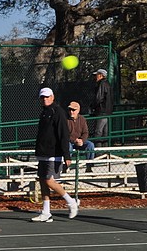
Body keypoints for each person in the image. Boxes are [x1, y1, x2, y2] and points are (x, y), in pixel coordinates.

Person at [31, 87, 80, 222]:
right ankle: (46, 213)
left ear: (52, 97)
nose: (45, 99)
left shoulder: (58, 112)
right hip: (43, 153)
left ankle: (71, 202)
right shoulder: (44, 112)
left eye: (47, 97)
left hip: (54, 153)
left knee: (49, 180)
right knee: (42, 181)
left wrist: (67, 155)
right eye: (42, 97)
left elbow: (63, 134)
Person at [90, 69, 113, 146]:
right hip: (108, 112)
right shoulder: (108, 84)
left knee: (98, 132)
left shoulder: (101, 84)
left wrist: (93, 107)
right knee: (105, 133)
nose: (95, 77)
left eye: (96, 75)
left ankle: (98, 152)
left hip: (101, 111)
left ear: (100, 75)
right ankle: (105, 151)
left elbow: (99, 98)